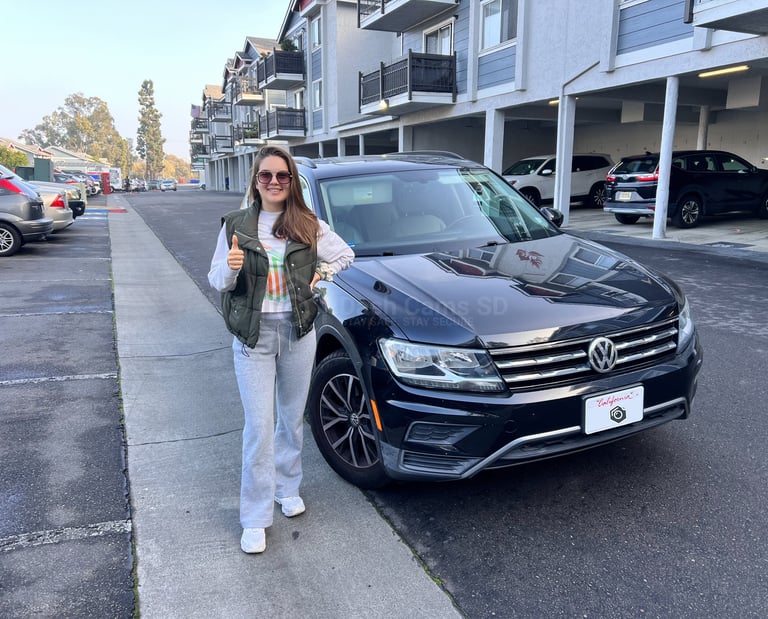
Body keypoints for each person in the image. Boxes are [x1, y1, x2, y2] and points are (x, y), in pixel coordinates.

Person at [208, 146, 354, 554]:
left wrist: (322, 273)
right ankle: (254, 517)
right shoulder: (236, 225)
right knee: (258, 426)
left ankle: (287, 488)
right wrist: (232, 266)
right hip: (253, 337)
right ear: (255, 181)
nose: (274, 182)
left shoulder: (308, 224)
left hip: (297, 332)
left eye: (282, 176)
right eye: (266, 175)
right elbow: (217, 279)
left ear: (292, 182)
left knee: (290, 419)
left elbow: (346, 254)